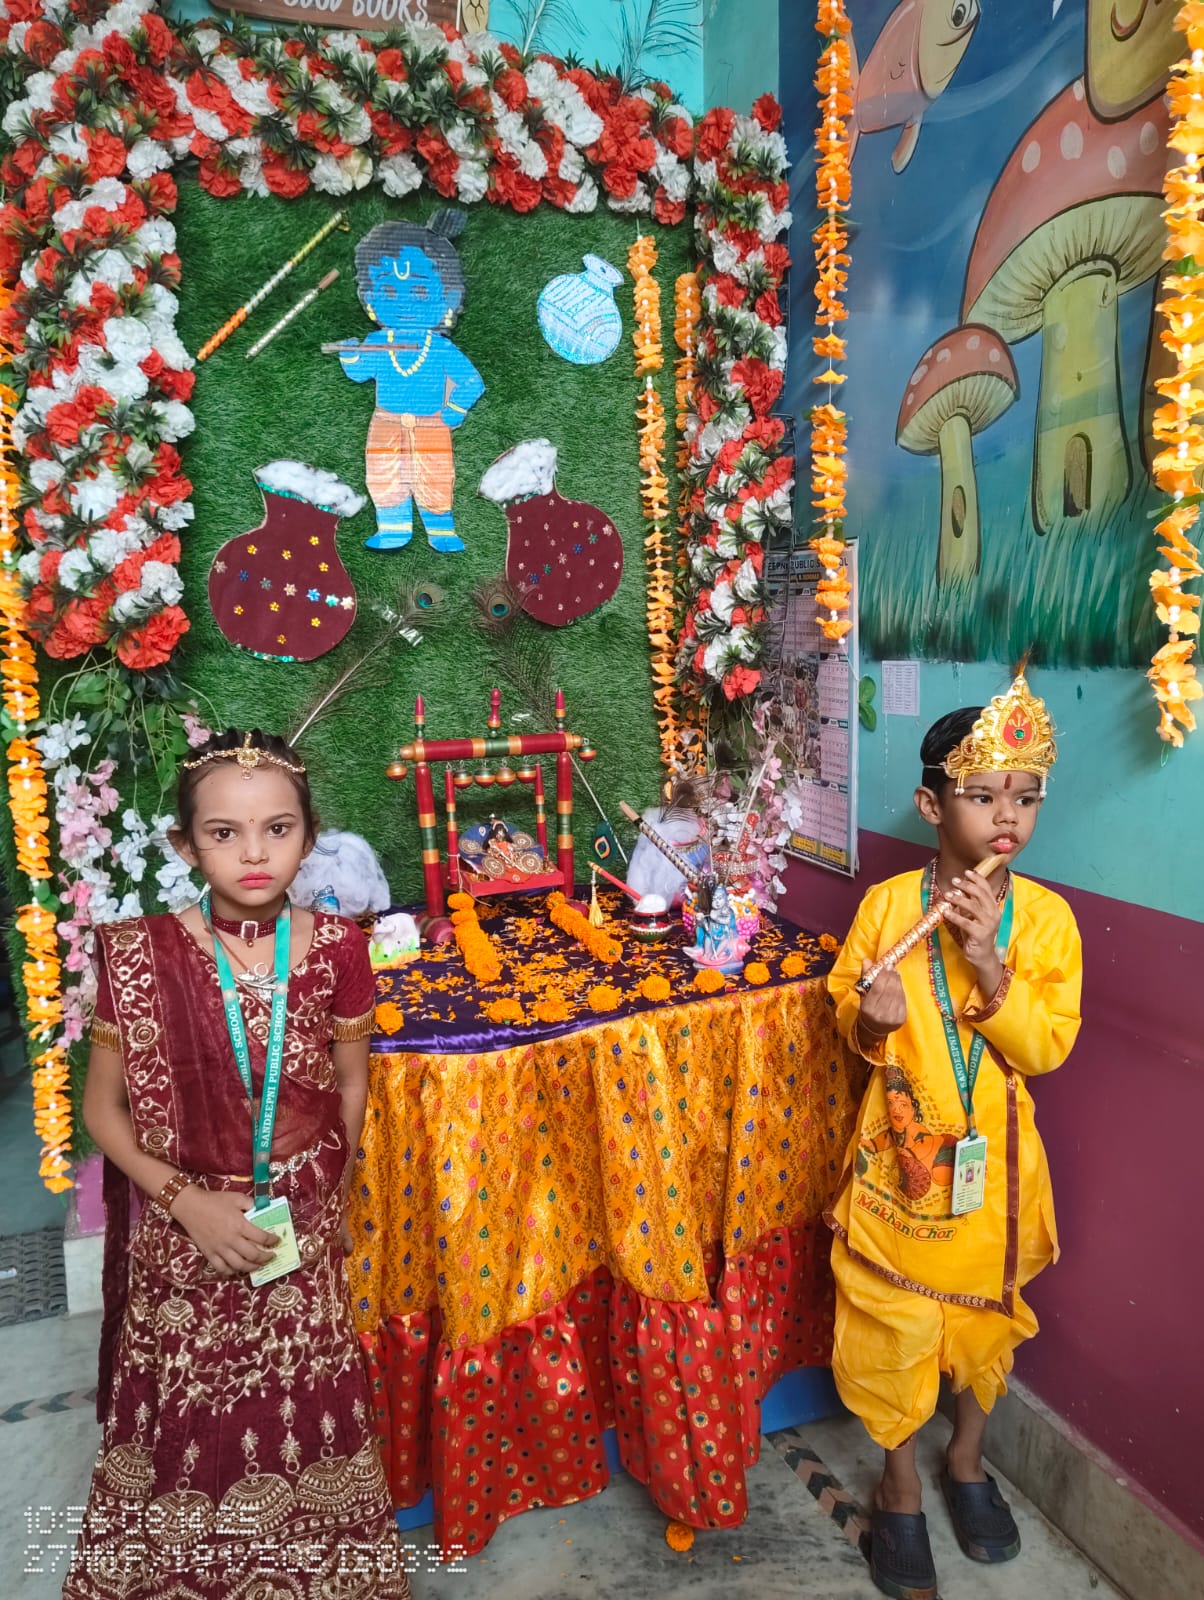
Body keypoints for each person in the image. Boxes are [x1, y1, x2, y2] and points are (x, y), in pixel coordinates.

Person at [66, 729, 410, 1599]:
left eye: (278, 829)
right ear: (185, 844)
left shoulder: (338, 946)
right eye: (224, 832)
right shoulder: (138, 954)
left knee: (308, 1421)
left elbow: (350, 1085)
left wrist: (325, 1198)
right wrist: (188, 1203)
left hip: (298, 1235)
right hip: (185, 1241)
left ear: (309, 835)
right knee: (193, 1433)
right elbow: (101, 1112)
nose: (254, 854)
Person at [825, 674, 1082, 1600]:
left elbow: (1048, 1048)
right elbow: (847, 1007)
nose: (1007, 816)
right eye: (983, 796)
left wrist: (987, 964)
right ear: (933, 805)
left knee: (983, 1326)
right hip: (899, 1160)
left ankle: (966, 1461)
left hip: (994, 1173)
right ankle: (898, 1484)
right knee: (890, 1324)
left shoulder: (1045, 921)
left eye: (1026, 797)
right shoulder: (890, 908)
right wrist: (870, 1018)